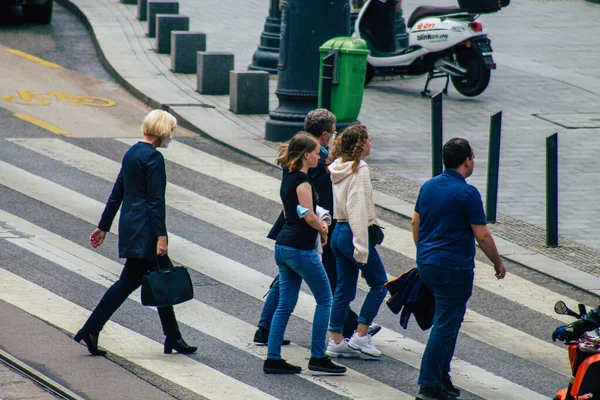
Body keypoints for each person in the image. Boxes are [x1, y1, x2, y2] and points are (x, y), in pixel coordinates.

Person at [74, 110, 197, 356]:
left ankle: (173, 336)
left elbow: (117, 191)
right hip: (146, 231)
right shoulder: (154, 158)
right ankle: (90, 329)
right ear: (163, 131)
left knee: (163, 278)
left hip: (132, 226)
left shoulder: (132, 153)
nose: (171, 136)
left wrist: (103, 226)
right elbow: (155, 201)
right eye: (171, 131)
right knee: (129, 282)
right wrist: (161, 236)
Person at [254, 109, 379, 347]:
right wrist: (326, 227)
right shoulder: (316, 159)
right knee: (328, 282)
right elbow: (323, 198)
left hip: (294, 222)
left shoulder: (297, 147)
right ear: (323, 134)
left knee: (286, 279)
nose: (333, 138)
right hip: (313, 224)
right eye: (332, 133)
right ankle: (340, 333)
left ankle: (265, 329)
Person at [411, 138, 506, 400]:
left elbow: (415, 223)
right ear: (467, 161)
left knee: (447, 323)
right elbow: (483, 236)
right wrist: (498, 262)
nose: (473, 161)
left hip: (428, 264)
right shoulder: (467, 193)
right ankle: (428, 384)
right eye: (473, 157)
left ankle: (442, 377)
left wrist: (424, 253)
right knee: (445, 324)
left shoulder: (429, 186)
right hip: (454, 268)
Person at [263, 133, 345, 375]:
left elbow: (291, 211)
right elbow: (307, 214)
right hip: (299, 248)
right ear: (306, 155)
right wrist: (322, 228)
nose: (320, 155)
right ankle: (318, 356)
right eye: (317, 151)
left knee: (284, 305)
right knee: (325, 299)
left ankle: (273, 358)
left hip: (283, 246)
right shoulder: (303, 182)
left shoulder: (288, 177)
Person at [326, 124, 388, 359]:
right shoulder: (359, 168)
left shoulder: (338, 166)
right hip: (352, 233)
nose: (371, 143)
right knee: (379, 284)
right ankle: (361, 335)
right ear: (361, 144)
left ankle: (335, 340)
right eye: (369, 140)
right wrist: (362, 248)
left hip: (338, 232)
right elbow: (357, 209)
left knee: (344, 288)